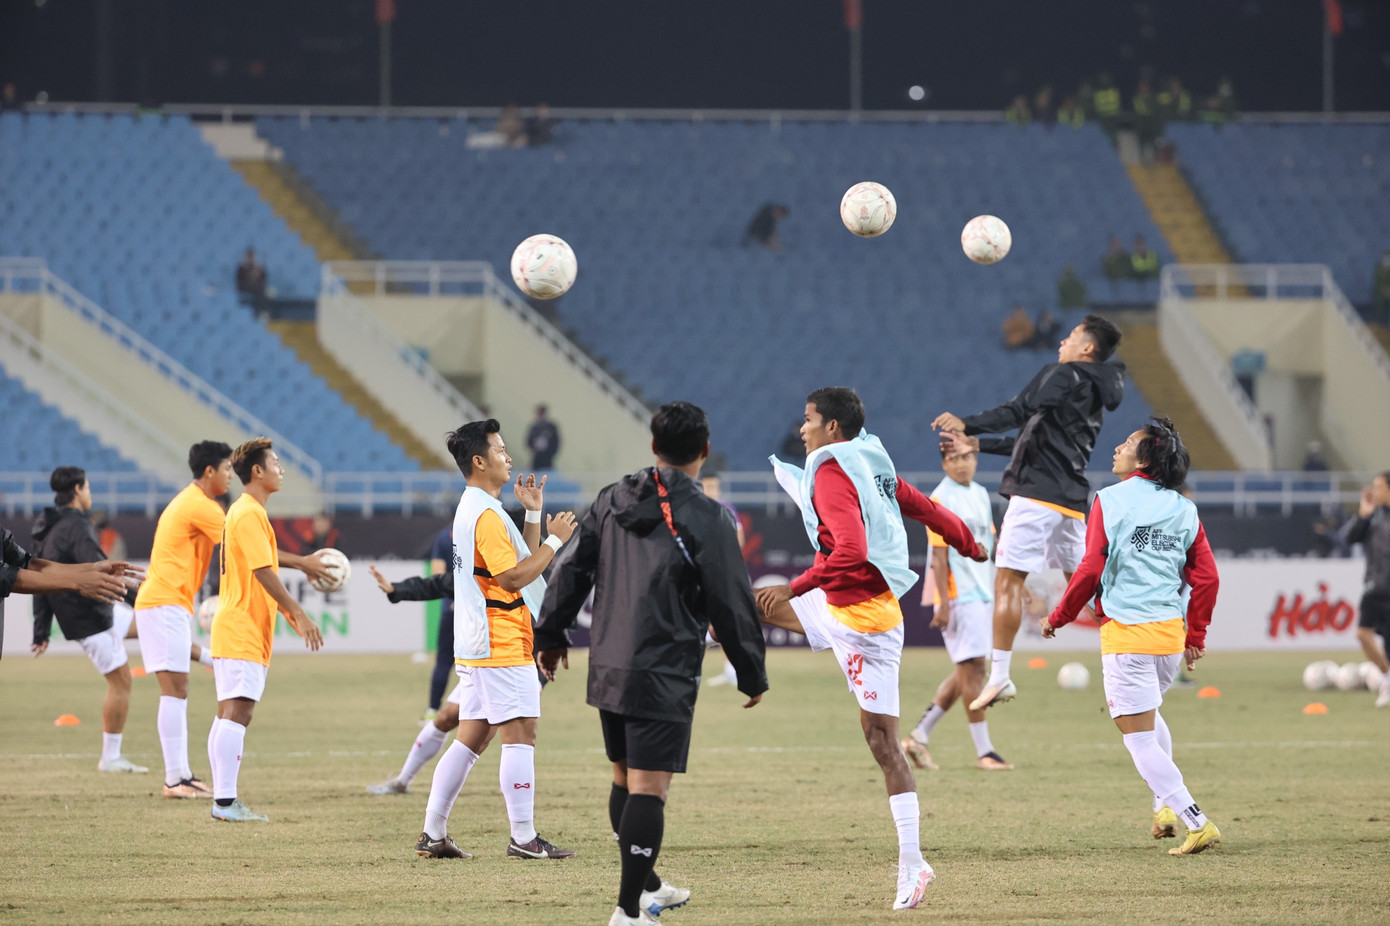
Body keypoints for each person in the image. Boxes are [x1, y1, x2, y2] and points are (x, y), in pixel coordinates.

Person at [535, 401, 769, 926]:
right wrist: (750, 670)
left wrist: (550, 634)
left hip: (609, 663)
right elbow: (731, 600)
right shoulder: (709, 517)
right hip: (662, 669)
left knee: (623, 779)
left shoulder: (612, 498)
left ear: (652, 445)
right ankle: (627, 911)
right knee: (648, 789)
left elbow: (572, 569)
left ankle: (649, 891)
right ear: (704, 450)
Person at [756, 387, 986, 912]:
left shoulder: (835, 471)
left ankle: (914, 862)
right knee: (741, 604)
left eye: (809, 420)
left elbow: (853, 550)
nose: (801, 429)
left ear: (833, 427)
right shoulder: (866, 459)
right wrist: (969, 542)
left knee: (883, 743)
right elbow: (923, 506)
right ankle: (743, 671)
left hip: (865, 624)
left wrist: (794, 586)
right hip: (838, 610)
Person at [1042, 418, 1222, 855]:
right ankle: (1162, 807)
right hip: (1167, 640)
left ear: (1144, 459)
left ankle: (1195, 820)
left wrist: (1060, 615)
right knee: (1151, 718)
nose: (1118, 447)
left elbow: (1090, 568)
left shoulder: (1109, 500)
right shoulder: (1183, 508)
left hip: (1127, 636)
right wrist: (1195, 633)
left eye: (1128, 443)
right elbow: (1208, 578)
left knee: (1137, 737)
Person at [932, 314, 1124, 711]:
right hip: (1069, 503)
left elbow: (1018, 411)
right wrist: (977, 444)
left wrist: (968, 423)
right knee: (1088, 588)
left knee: (1008, 584)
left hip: (1034, 497)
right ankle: (1130, 662)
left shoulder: (1063, 374)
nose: (1062, 343)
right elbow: (1031, 437)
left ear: (1087, 348)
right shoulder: (1092, 393)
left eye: (1071, 337)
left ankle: (1000, 675)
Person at [414, 419, 577, 861]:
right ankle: (524, 838)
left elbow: (519, 562)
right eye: (500, 450)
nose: (509, 456)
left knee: (471, 737)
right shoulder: (485, 513)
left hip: (480, 640)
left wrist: (532, 515)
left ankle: (433, 833)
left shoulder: (476, 507)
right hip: (499, 639)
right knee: (521, 731)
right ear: (479, 460)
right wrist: (557, 541)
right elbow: (513, 578)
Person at [139, 440, 331, 800]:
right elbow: (259, 558)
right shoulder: (217, 509)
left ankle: (189, 780)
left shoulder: (216, 507)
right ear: (209, 471)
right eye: (225, 469)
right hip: (174, 602)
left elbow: (255, 553)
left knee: (212, 704)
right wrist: (301, 582)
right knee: (186, 695)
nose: (229, 475)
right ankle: (184, 781)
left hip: (179, 603)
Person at [207, 438, 325, 822]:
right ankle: (224, 803)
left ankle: (222, 798)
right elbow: (262, 572)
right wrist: (298, 613)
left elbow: (266, 560)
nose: (281, 469)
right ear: (257, 471)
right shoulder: (249, 513)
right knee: (238, 712)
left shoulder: (245, 511)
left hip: (238, 624)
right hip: (241, 626)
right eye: (275, 462)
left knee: (229, 711)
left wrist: (302, 564)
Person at [29, 467, 147, 773]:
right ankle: (110, 758)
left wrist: (41, 630)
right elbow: (104, 572)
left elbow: (39, 579)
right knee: (121, 682)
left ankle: (207, 659)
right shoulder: (77, 527)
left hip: (94, 611)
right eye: (89, 487)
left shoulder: (49, 526)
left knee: (153, 625)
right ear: (79, 490)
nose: (90, 493)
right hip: (90, 616)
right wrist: (139, 598)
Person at [901, 444, 1011, 772]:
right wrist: (944, 603)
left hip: (981, 593)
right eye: (953, 459)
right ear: (944, 465)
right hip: (959, 596)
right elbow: (938, 554)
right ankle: (985, 751)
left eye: (966, 457)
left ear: (975, 460)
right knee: (973, 672)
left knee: (969, 671)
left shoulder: (979, 493)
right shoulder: (941, 498)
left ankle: (919, 736)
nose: (961, 464)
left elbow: (987, 549)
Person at [1344, 471, 1390, 707]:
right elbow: (1350, 538)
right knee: (1363, 634)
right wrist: (1363, 515)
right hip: (1375, 588)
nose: (1375, 491)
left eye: (1379, 487)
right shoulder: (1372, 516)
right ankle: (1387, 678)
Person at [699, 472, 747, 689]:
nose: (713, 490)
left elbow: (740, 538)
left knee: (725, 620)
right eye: (709, 486)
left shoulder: (727, 509)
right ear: (701, 486)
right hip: (699, 574)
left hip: (723, 574)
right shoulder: (694, 509)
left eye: (715, 486)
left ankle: (733, 670)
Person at [525, 404, 561, 470]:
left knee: (547, 473)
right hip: (536, 457)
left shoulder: (551, 427)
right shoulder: (534, 427)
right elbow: (529, 441)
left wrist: (550, 452)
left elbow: (556, 442)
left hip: (548, 457)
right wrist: (534, 447)